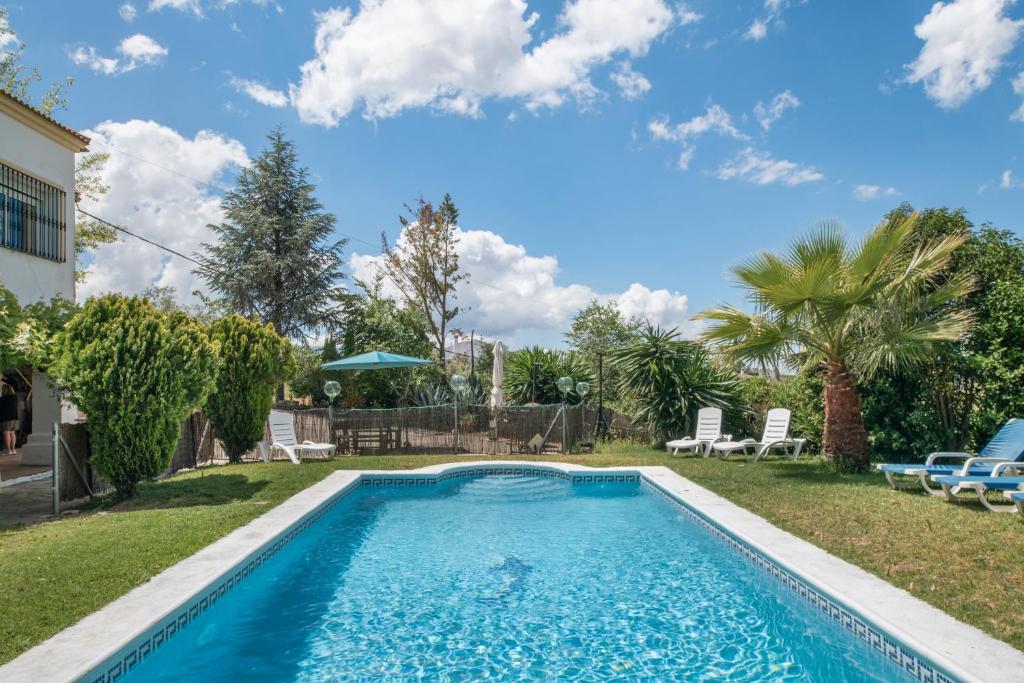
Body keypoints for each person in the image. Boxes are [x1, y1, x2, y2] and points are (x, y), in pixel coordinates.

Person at [0, 382, 18, 455]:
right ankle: (13, 449)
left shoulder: (3, 398)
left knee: (6, 433)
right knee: (12, 433)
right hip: (15, 418)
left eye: (2, 389)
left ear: (5, 390)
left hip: (6, 418)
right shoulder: (15, 397)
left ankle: (8, 450)